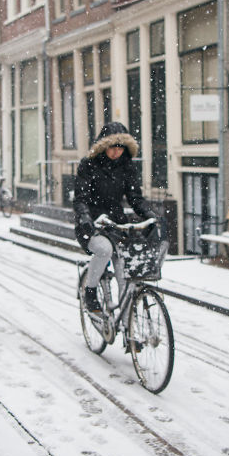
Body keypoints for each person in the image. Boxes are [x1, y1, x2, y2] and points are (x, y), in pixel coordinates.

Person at [74, 122, 159, 313]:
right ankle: (90, 290)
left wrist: (149, 214)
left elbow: (135, 197)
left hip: (116, 224)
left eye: (121, 148)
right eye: (113, 147)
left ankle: (129, 327)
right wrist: (85, 217)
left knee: (126, 273)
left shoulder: (127, 167)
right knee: (104, 250)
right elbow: (80, 198)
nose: (116, 152)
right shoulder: (88, 165)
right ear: (104, 146)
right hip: (92, 224)